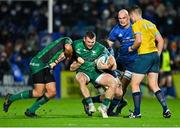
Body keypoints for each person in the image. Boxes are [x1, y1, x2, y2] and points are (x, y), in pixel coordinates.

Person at [3, 37, 73, 117]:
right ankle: (11, 98)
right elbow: (68, 48)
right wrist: (64, 57)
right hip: (38, 63)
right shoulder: (68, 40)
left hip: (47, 66)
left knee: (52, 92)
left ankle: (30, 111)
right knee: (38, 93)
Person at [126, 5, 171, 118]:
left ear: (133, 15)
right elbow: (160, 40)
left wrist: (132, 48)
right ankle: (166, 109)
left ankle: (137, 113)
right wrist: (158, 55)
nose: (130, 19)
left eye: (130, 16)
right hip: (155, 55)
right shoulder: (151, 24)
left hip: (144, 55)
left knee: (135, 84)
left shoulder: (136, 25)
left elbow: (138, 41)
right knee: (154, 85)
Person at [70, 31, 122, 118]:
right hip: (83, 71)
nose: (90, 44)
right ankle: (90, 104)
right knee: (81, 80)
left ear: (95, 40)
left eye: (92, 42)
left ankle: (103, 107)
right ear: (84, 39)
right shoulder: (76, 44)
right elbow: (67, 53)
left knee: (114, 83)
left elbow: (111, 60)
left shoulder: (101, 48)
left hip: (96, 72)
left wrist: (109, 66)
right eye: (88, 42)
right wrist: (76, 61)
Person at [105, 9, 138, 116]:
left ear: (128, 17)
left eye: (124, 18)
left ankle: (110, 110)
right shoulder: (116, 29)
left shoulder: (136, 27)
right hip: (120, 61)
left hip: (132, 63)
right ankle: (120, 101)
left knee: (122, 87)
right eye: (119, 18)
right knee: (112, 84)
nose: (122, 20)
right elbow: (108, 44)